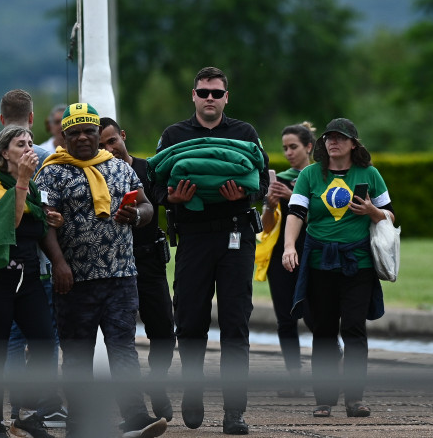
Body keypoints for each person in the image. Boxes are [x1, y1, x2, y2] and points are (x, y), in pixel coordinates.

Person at [36, 103, 167, 438]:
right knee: (77, 354)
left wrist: (136, 216)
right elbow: (44, 223)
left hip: (121, 276)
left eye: (89, 131)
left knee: (123, 347)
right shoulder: (52, 172)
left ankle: (135, 417)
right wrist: (60, 264)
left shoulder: (120, 169)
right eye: (74, 132)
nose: (82, 137)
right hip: (74, 280)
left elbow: (147, 205)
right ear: (63, 137)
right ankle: (79, 424)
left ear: (98, 133)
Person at [151, 66, 269, 435]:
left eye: (217, 93)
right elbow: (152, 183)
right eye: (204, 92)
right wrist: (169, 197)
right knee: (189, 322)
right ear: (194, 95)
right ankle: (192, 392)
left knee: (236, 325)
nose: (210, 99)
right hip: (193, 237)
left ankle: (234, 412)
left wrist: (246, 194)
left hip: (236, 236)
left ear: (226, 97)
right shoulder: (174, 135)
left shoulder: (244, 133)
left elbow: (262, 181)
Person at [282, 118, 393, 419]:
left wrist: (372, 211)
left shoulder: (369, 174)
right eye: (329, 137)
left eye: (341, 138)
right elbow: (296, 213)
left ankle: (355, 399)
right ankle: (324, 399)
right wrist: (289, 246)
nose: (333, 142)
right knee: (324, 331)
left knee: (354, 329)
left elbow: (391, 217)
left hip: (358, 265)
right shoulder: (309, 175)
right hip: (319, 263)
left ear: (354, 144)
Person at [0, 125, 63, 438]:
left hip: (28, 277)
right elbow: (13, 219)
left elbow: (33, 220)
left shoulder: (32, 186)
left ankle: (30, 415)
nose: (29, 148)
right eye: (21, 143)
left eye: (31, 142)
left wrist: (50, 218)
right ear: (5, 152)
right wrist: (23, 179)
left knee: (46, 344)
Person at [99, 117, 175, 421]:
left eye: (112, 141)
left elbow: (167, 201)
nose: (109, 149)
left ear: (123, 136)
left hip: (148, 261)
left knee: (164, 332)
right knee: (122, 338)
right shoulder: (97, 176)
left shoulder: (148, 170)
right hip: (115, 264)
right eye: (102, 144)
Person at [259, 122, 316, 397]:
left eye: (293, 147)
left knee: (319, 318)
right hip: (282, 256)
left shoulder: (320, 177)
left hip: (314, 254)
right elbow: (266, 226)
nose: (289, 153)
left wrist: (292, 196)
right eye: (285, 148)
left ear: (309, 147)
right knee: (285, 318)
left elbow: (323, 213)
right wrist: (270, 204)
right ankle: (294, 379)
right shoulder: (279, 180)